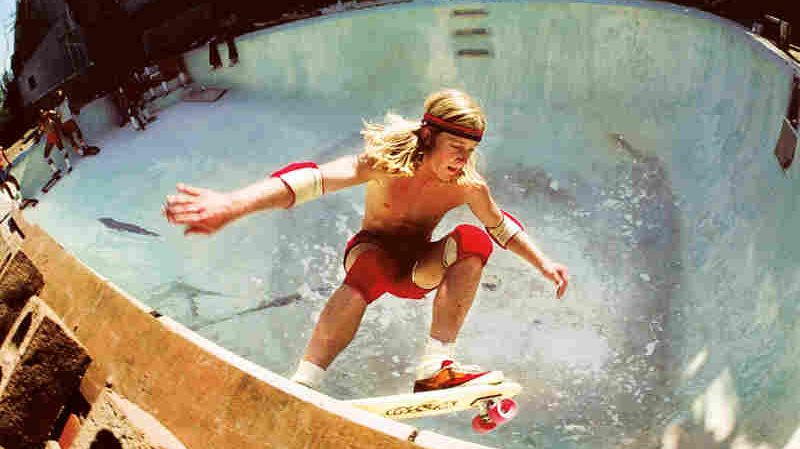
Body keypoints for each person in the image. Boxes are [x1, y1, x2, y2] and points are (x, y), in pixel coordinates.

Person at [163, 89, 569, 392]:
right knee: (373, 265)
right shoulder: (385, 162)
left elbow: (501, 227)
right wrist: (232, 204)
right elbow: (310, 178)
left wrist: (543, 263)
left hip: (417, 271)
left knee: (473, 239)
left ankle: (434, 366)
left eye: (470, 151)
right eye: (456, 148)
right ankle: (306, 380)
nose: (463, 160)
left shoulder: (467, 186)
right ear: (428, 136)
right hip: (369, 255)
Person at [54, 89, 91, 155]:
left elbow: (58, 115)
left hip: (65, 122)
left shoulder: (60, 105)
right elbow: (64, 98)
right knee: (76, 133)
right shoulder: (61, 104)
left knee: (73, 135)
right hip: (67, 121)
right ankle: (82, 147)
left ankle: (80, 149)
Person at [38, 109, 72, 176]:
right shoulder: (42, 121)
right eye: (42, 113)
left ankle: (69, 165)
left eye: (44, 112)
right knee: (46, 155)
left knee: (62, 150)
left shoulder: (51, 118)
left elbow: (59, 116)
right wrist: (38, 136)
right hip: (50, 138)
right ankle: (55, 170)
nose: (43, 114)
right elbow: (41, 129)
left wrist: (52, 111)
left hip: (54, 136)